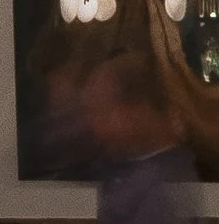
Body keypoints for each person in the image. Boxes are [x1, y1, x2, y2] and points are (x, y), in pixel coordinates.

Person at [80, 49, 197, 224]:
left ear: (137, 111)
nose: (92, 124)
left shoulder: (164, 191)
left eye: (101, 112)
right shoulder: (128, 170)